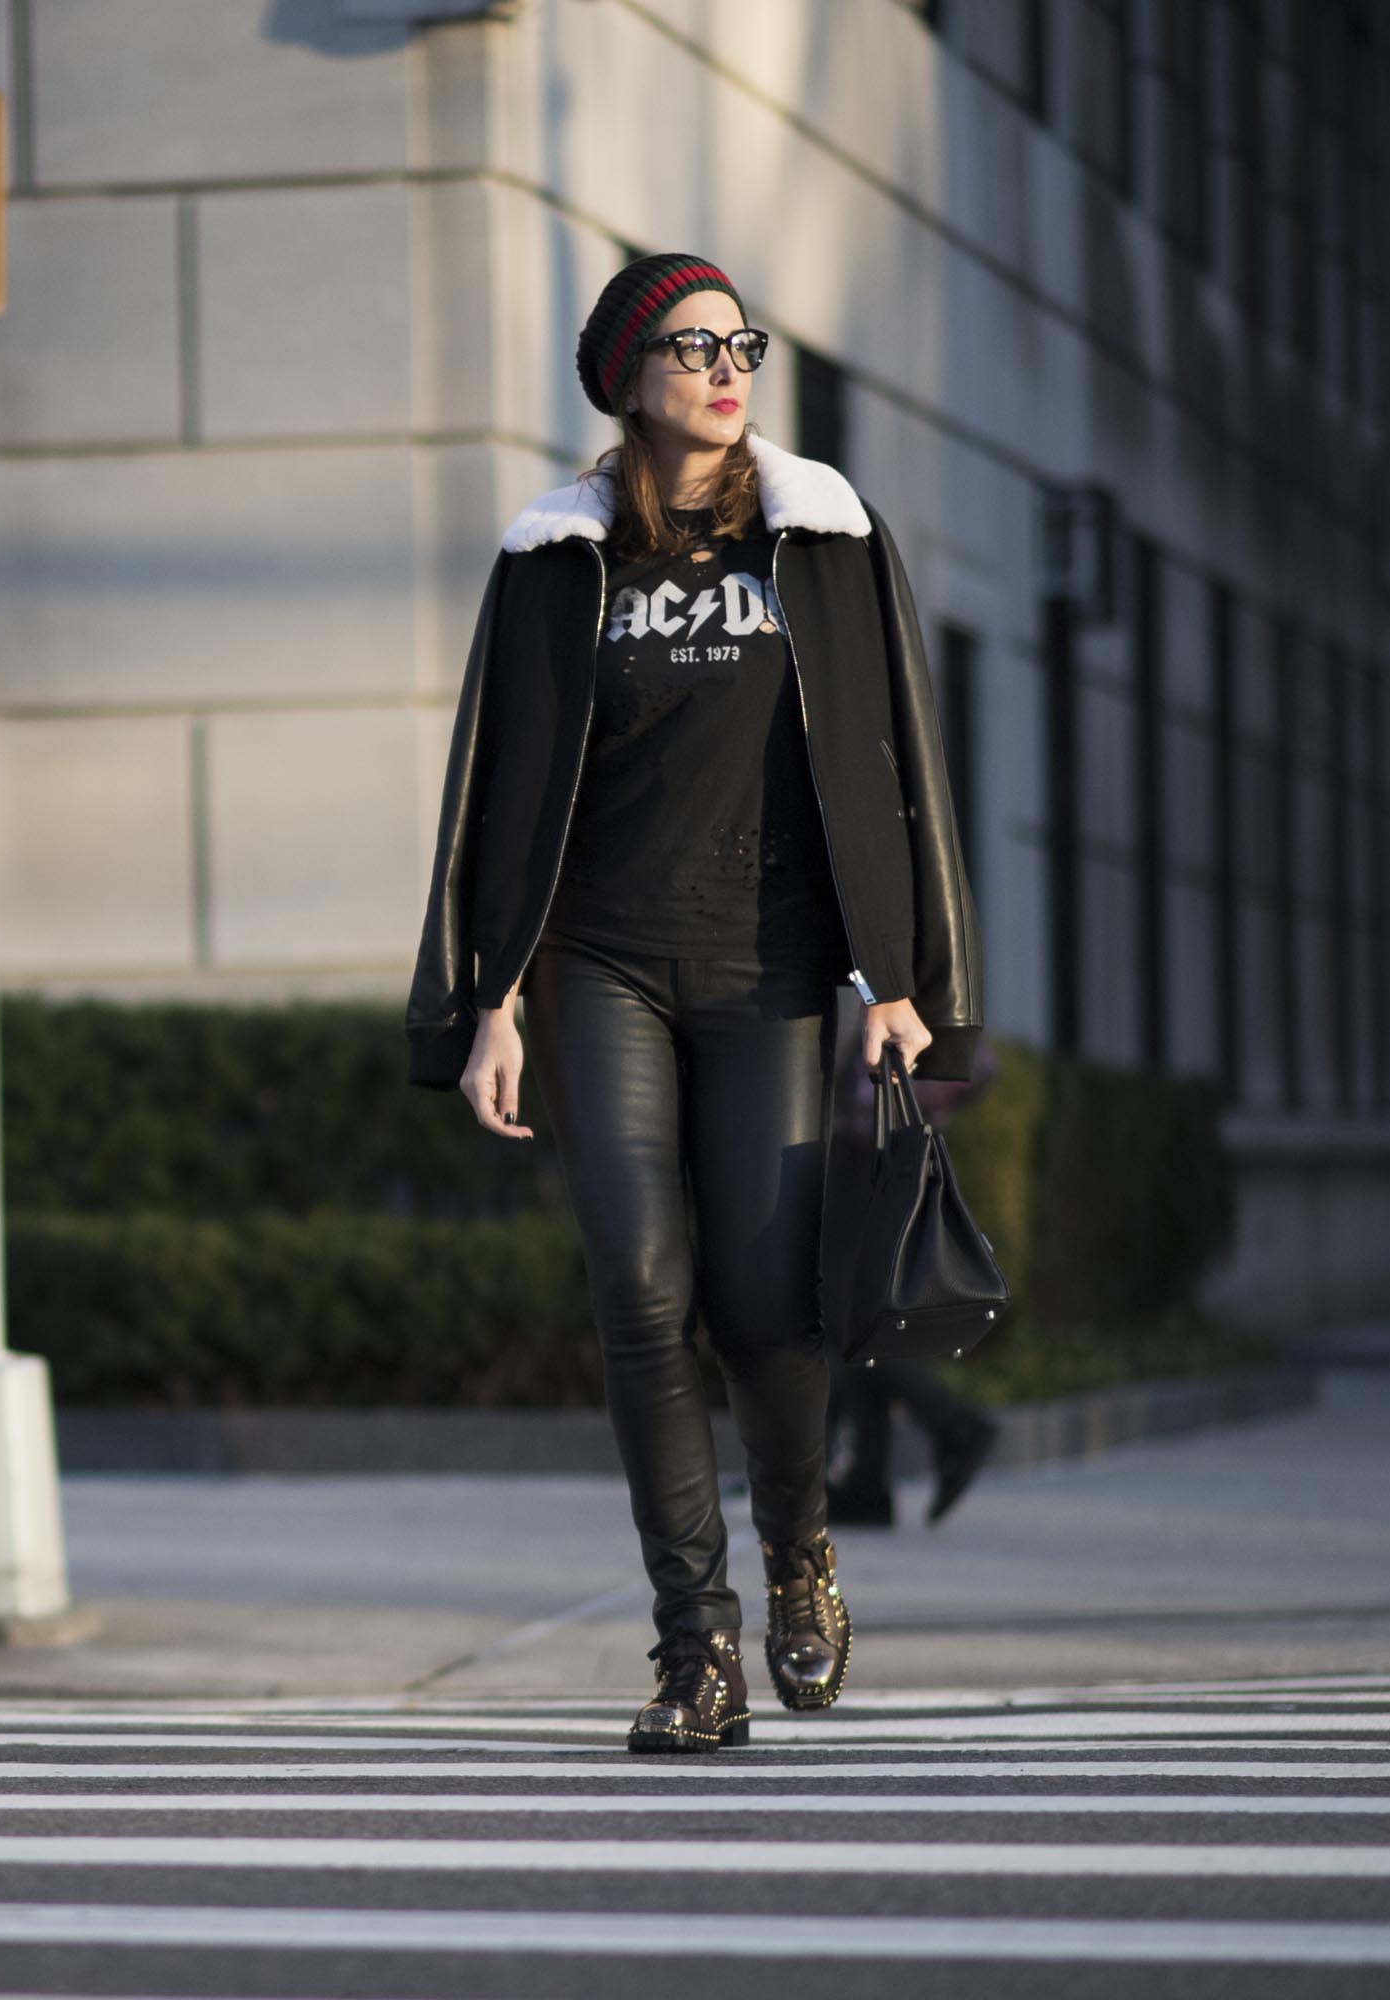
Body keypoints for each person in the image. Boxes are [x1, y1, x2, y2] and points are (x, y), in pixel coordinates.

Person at [405, 253, 983, 1753]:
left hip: (772, 967)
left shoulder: (825, 542)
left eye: (742, 343)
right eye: (691, 346)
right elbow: (499, 789)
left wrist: (909, 982)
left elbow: (900, 770)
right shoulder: (554, 561)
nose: (727, 369)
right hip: (600, 965)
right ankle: (695, 1650)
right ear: (625, 377)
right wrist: (490, 1001)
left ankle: (801, 1553)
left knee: (763, 1304)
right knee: (639, 1294)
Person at [822, 1015, 1003, 1528]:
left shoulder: (898, 970)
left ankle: (953, 1426)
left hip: (873, 1158)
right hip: (875, 1157)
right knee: (860, 1318)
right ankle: (868, 1483)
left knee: (845, 1316)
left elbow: (977, 1063)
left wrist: (911, 1094)